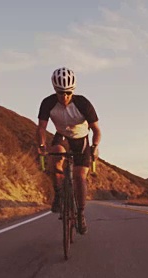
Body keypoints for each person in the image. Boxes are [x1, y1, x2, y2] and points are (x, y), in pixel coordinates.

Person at [37, 67, 101, 235]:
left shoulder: (82, 103)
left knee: (80, 177)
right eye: (60, 93)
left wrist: (95, 147)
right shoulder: (48, 103)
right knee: (55, 156)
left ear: (73, 91)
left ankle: (80, 214)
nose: (64, 97)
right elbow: (41, 128)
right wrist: (42, 146)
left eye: (68, 93)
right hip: (62, 137)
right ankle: (58, 194)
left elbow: (97, 130)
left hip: (81, 140)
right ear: (54, 90)